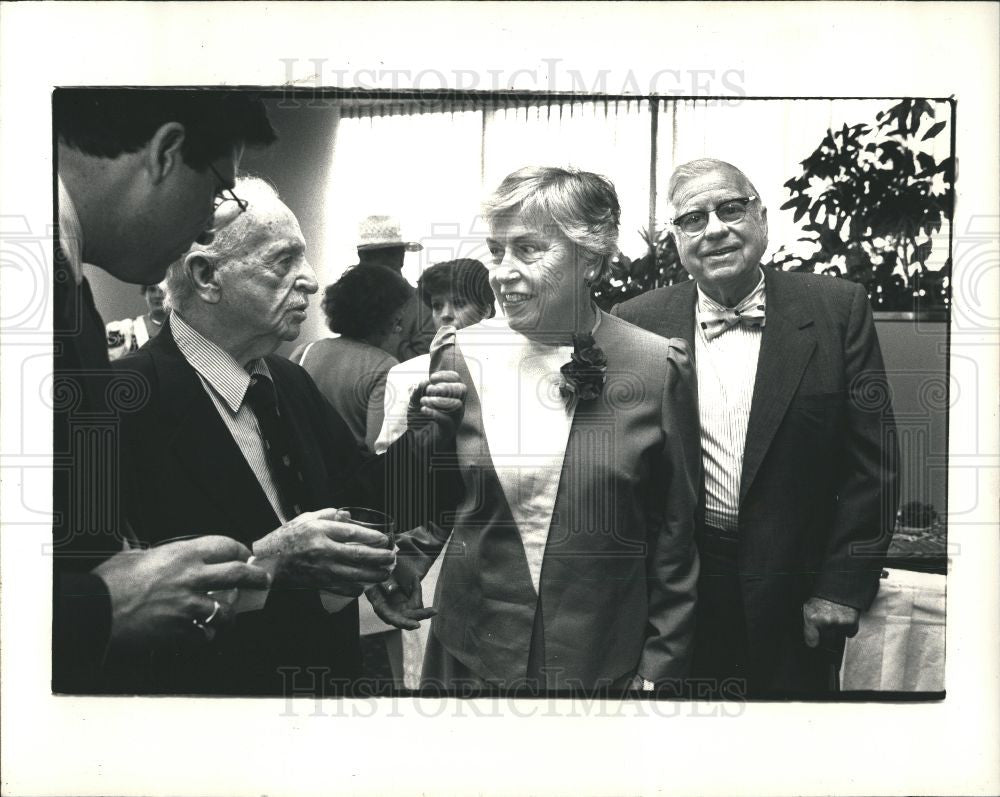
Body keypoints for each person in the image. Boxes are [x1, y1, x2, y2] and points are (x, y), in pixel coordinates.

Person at [110, 177, 465, 695]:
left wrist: (432, 435)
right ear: (207, 276)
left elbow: (363, 497)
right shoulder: (123, 401)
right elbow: (108, 603)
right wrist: (268, 561)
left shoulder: (286, 379)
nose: (313, 282)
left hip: (325, 682)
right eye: (284, 262)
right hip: (213, 711)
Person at [368, 167, 700, 694]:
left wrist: (659, 666)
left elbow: (675, 535)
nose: (502, 272)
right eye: (497, 251)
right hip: (471, 652)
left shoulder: (658, 367)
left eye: (528, 250)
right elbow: (446, 492)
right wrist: (404, 563)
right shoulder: (460, 355)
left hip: (598, 661)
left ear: (589, 258)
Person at [612, 158, 900, 697]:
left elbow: (874, 465)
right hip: (676, 597)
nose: (715, 228)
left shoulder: (838, 309)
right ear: (675, 240)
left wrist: (841, 588)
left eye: (730, 208)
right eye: (693, 219)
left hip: (798, 592)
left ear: (762, 218)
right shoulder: (636, 322)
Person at [53, 88, 278, 693]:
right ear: (165, 153)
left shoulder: (64, 282)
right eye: (215, 192)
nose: (209, 223)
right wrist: (99, 606)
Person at [372, 257, 496, 688]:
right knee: (430, 661)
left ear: (489, 308)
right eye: (436, 303)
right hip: (423, 533)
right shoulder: (406, 374)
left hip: (486, 538)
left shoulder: (502, 373)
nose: (444, 314)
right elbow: (391, 466)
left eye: (458, 303)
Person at [295, 265, 411, 451]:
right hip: (351, 475)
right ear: (382, 317)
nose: (398, 329)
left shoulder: (303, 352)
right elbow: (378, 448)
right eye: (397, 321)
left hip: (304, 469)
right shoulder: (386, 367)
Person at [354, 214, 436, 361]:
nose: (375, 265)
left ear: (401, 258)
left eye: (387, 254)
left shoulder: (423, 306)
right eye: (368, 256)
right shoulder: (353, 304)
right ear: (361, 257)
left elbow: (422, 366)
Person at [106, 281, 170, 360]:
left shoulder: (186, 327)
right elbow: (112, 366)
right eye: (152, 290)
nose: (157, 295)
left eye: (163, 290)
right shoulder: (126, 330)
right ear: (145, 294)